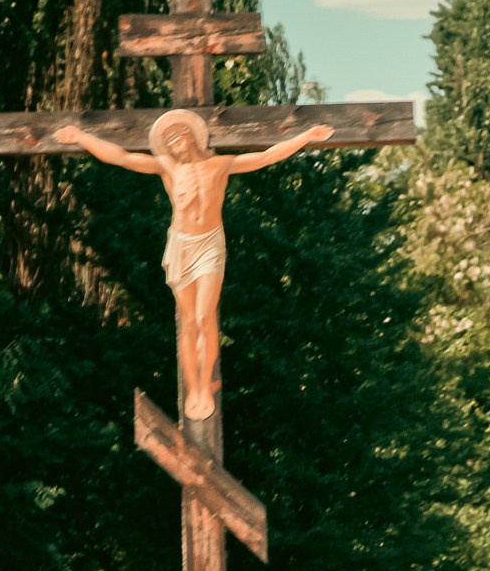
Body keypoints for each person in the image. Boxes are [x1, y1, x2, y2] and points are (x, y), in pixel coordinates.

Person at [54, 112, 334, 420]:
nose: (173, 141)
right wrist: (80, 137)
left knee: (204, 315)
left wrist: (305, 136)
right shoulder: (167, 168)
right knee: (188, 321)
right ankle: (196, 386)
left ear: (193, 135)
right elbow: (120, 157)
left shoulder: (219, 165)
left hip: (210, 243)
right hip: (181, 244)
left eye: (178, 133)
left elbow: (266, 156)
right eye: (168, 139)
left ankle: (205, 381)